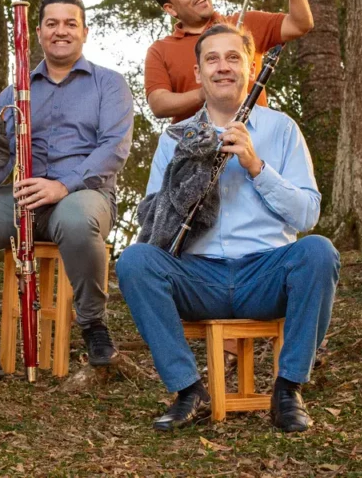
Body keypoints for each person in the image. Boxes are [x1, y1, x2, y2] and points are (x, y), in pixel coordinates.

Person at [117, 24, 339, 433]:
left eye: (233, 58)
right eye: (212, 59)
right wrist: (190, 184)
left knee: (319, 251)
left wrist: (256, 167)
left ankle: (288, 390)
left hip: (264, 274)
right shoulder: (176, 138)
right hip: (199, 276)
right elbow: (151, 219)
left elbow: (307, 216)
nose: (223, 67)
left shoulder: (282, 129)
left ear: (250, 69)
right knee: (134, 260)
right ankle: (188, 390)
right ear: (198, 73)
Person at [0, 0, 134, 382]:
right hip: (24, 198)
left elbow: (113, 150)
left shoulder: (110, 84)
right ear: (38, 32)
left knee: (75, 219)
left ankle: (94, 326)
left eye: (70, 23)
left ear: (84, 32)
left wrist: (62, 185)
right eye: (52, 24)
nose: (61, 31)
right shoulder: (15, 90)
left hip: (84, 194)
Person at [145, 0, 314, 124]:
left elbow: (301, 24)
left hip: (254, 143)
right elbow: (159, 104)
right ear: (170, 9)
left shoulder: (247, 22)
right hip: (197, 148)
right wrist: (208, 91)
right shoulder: (159, 50)